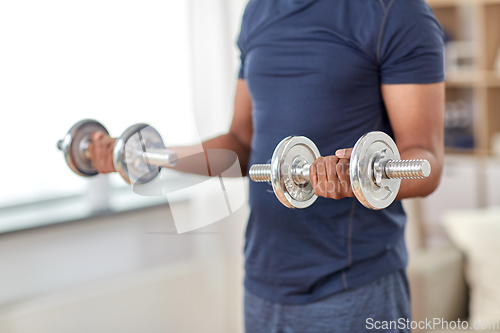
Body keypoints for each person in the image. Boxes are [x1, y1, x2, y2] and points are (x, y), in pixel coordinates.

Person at [89, 0, 445, 331]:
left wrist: (356, 179)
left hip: (353, 288)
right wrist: (148, 155)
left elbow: (426, 161)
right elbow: (241, 144)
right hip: (263, 283)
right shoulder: (259, 10)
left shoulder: (396, 11)